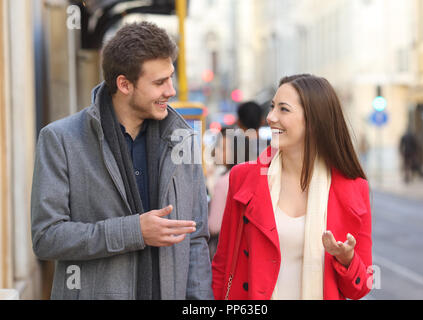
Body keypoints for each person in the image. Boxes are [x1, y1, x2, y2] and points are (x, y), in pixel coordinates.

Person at [31, 22, 213, 300]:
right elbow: (47, 238)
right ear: (124, 84)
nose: (171, 90)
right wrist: (134, 231)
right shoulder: (60, 139)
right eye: (159, 82)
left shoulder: (184, 139)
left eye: (171, 78)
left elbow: (196, 238)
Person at [212, 74, 373, 300]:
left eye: (283, 109)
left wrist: (347, 259)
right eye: (271, 107)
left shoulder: (354, 188)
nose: (270, 117)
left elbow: (361, 287)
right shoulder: (242, 178)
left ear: (314, 120)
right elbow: (222, 265)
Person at [208, 127, 239, 260]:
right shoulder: (246, 176)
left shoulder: (224, 181)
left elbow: (213, 226)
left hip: (223, 251)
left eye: (222, 148)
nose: (216, 152)